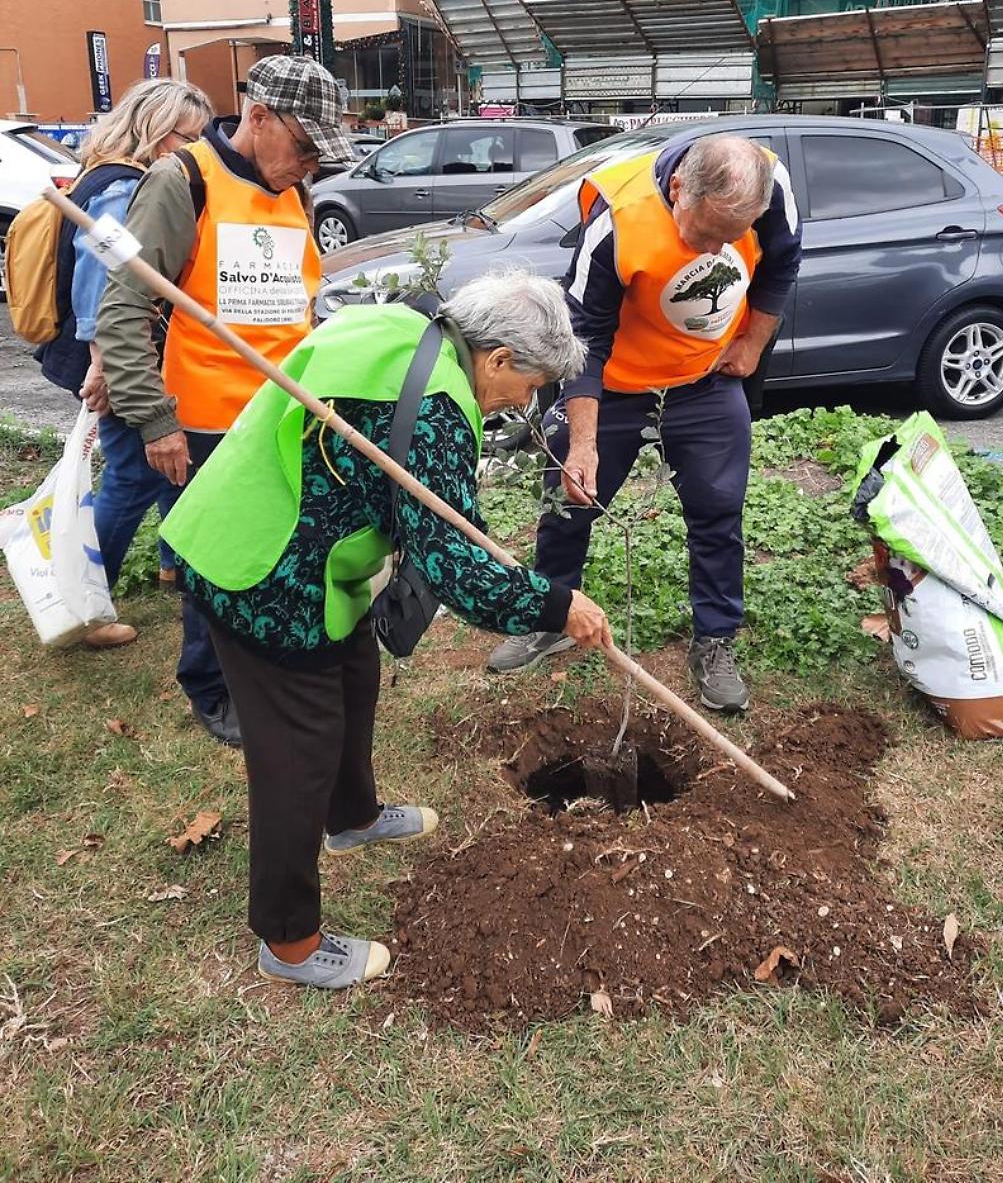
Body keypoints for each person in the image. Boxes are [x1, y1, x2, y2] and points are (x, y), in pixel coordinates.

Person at [160, 271, 612, 990]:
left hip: (302, 541)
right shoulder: (436, 409)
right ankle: (289, 941)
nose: (524, 401)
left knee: (354, 676)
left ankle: (353, 817)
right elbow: (457, 570)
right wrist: (560, 606)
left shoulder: (411, 326)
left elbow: (435, 513)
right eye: (529, 385)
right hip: (263, 568)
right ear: (497, 358)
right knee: (298, 749)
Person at [488, 133, 802, 714]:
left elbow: (782, 265)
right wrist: (583, 444)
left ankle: (715, 640)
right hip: (616, 386)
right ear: (678, 189)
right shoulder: (618, 221)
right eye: (704, 234)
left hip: (706, 380)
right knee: (569, 501)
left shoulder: (771, 187)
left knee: (718, 511)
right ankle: (551, 618)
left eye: (729, 237)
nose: (714, 251)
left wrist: (754, 343)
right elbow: (584, 337)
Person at [97, 55, 347, 746]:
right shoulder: (183, 181)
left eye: (319, 155)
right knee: (212, 559)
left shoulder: (295, 191)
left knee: (273, 547)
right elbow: (124, 310)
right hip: (205, 421)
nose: (311, 165)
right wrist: (156, 420)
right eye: (305, 147)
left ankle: (260, 658)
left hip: (283, 412)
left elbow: (299, 307)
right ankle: (210, 687)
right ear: (258, 117)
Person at [37, 78, 212, 648]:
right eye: (188, 138)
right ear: (157, 131)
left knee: (170, 465)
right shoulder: (123, 189)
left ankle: (174, 564)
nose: (195, 152)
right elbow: (103, 285)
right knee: (134, 473)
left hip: (117, 356)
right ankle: (85, 606)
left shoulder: (100, 174)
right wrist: (107, 367)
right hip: (115, 359)